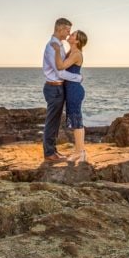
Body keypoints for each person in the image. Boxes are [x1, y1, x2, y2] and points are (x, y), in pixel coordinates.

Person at [42, 17, 82, 162]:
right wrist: (78, 78)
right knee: (51, 121)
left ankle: (53, 150)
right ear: (59, 28)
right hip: (53, 88)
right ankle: (49, 153)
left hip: (58, 88)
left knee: (55, 121)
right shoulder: (52, 46)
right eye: (67, 30)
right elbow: (59, 72)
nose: (68, 33)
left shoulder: (59, 45)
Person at [54, 29, 88, 165]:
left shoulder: (76, 53)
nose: (70, 35)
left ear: (78, 40)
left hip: (74, 90)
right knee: (75, 121)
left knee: (76, 120)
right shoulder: (71, 52)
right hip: (71, 89)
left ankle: (81, 153)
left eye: (73, 35)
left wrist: (56, 51)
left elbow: (61, 66)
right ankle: (79, 151)